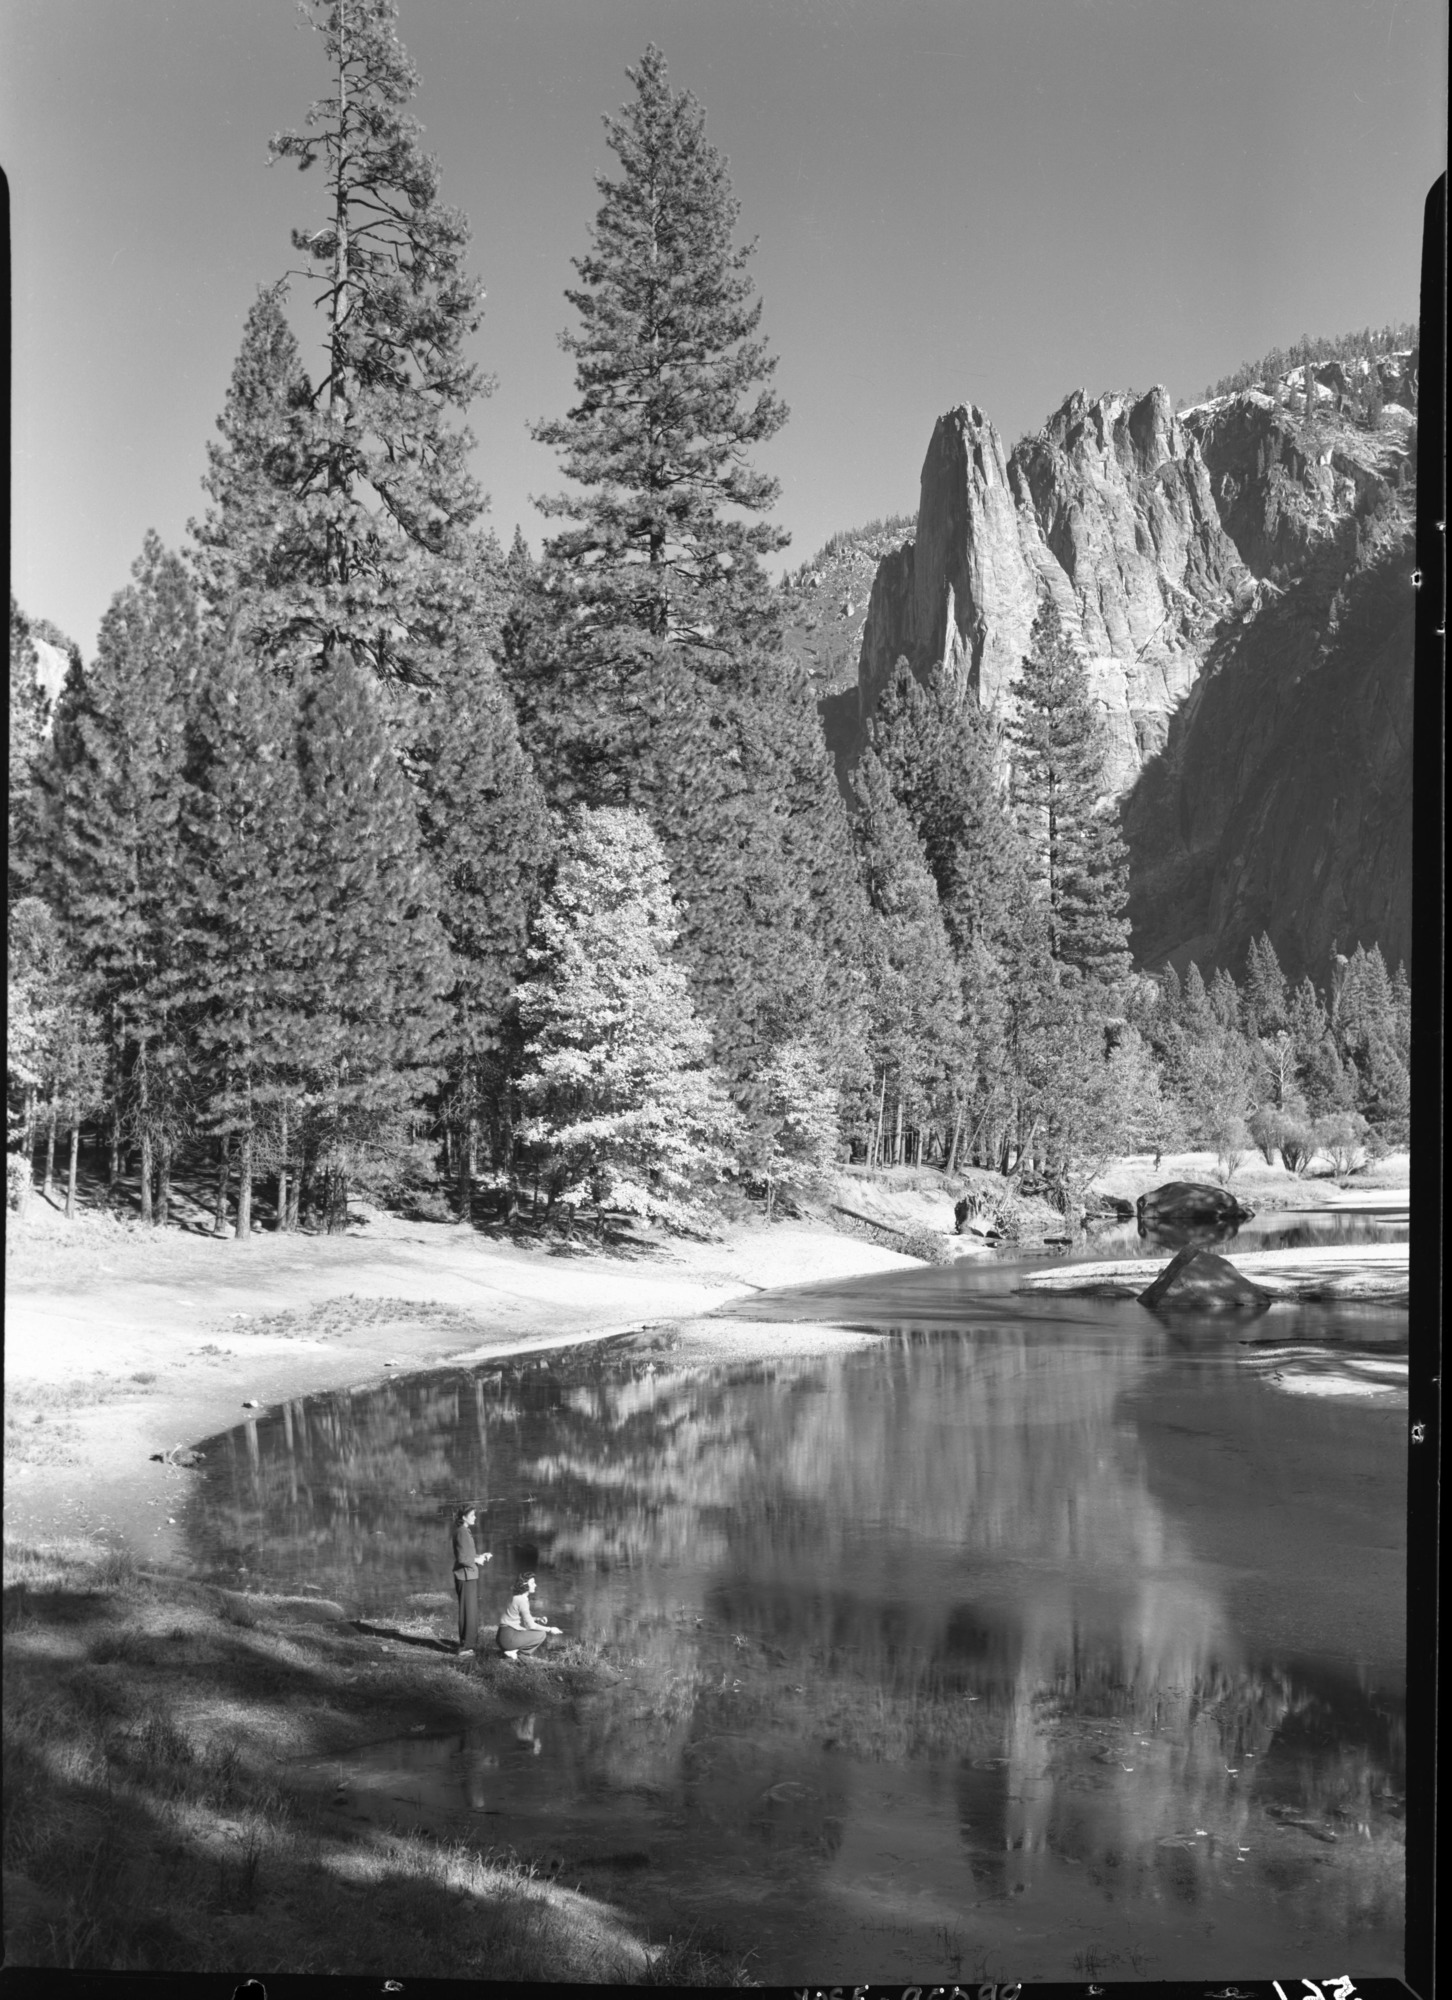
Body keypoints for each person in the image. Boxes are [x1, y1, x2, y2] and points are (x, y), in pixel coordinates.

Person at [450, 1505, 491, 1655]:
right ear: (463, 1517)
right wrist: (476, 1561)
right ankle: (465, 1647)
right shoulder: (461, 1532)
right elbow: (461, 1558)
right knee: (467, 1611)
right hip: (465, 1576)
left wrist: (481, 1556)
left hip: (469, 1575)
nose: (475, 1517)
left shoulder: (464, 1531)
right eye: (472, 1515)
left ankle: (469, 1644)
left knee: (470, 1611)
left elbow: (467, 1554)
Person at [496, 1572, 562, 1660]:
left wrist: (538, 1619)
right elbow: (530, 1625)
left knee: (535, 1631)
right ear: (525, 1585)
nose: (535, 1585)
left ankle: (511, 1651)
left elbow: (520, 1618)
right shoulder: (522, 1600)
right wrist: (550, 1629)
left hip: (502, 1636)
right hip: (508, 1638)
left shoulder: (516, 1596)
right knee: (541, 1634)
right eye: (532, 1583)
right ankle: (521, 1655)